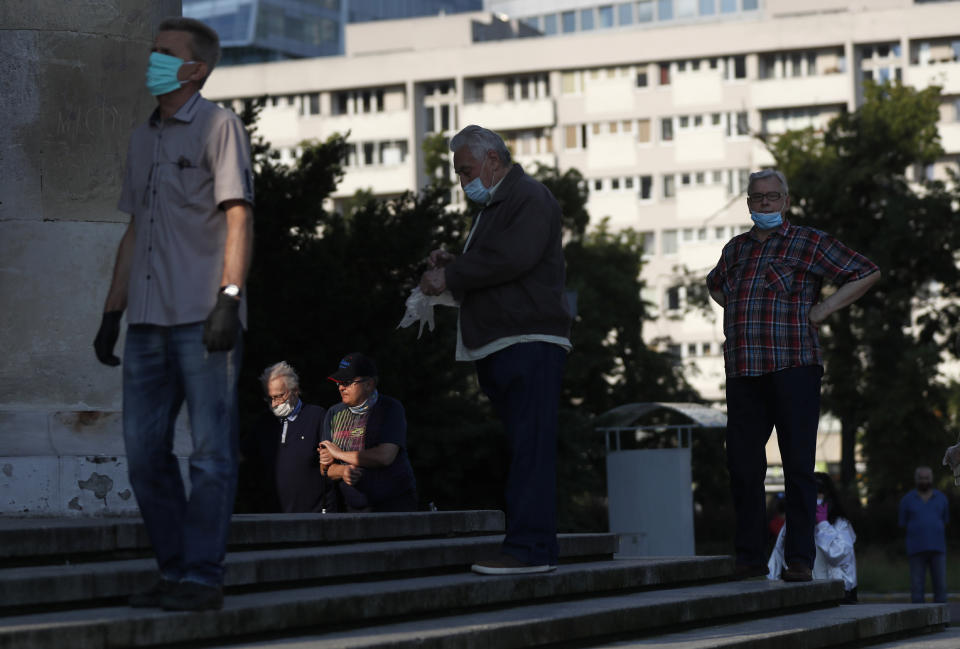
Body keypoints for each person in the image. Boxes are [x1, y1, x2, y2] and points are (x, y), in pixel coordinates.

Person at [92, 17, 254, 611]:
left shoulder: (219, 126)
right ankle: (174, 569)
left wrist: (229, 299)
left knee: (210, 454)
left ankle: (202, 578)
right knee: (143, 454)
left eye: (166, 54)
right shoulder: (143, 138)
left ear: (196, 69)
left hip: (204, 316)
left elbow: (238, 215)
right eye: (153, 52)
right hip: (148, 322)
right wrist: (113, 311)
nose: (153, 60)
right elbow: (136, 228)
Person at [706, 169, 879, 582]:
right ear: (749, 203)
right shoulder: (735, 250)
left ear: (786, 200)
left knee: (798, 466)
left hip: (794, 366)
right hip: (744, 369)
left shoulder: (808, 241)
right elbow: (715, 286)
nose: (764, 204)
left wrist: (823, 310)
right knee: (743, 466)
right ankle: (749, 558)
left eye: (772, 197)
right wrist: (739, 315)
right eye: (757, 198)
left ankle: (798, 560)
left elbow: (866, 272)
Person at [419, 125, 572, 575]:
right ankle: (535, 548)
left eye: (465, 170)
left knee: (530, 449)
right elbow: (501, 259)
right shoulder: (503, 203)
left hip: (528, 341)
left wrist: (451, 276)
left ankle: (526, 550)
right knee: (529, 449)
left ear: (491, 160)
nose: (462, 181)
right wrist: (457, 264)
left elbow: (513, 258)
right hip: (509, 341)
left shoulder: (528, 196)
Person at [318, 353, 417, 512]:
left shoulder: (390, 408)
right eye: (339, 383)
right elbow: (325, 468)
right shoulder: (333, 413)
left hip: (394, 505)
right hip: (352, 508)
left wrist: (339, 454)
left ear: (369, 384)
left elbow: (385, 456)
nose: (341, 387)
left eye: (348, 382)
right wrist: (343, 471)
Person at [249, 361, 331, 513]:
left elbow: (331, 465)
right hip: (272, 516)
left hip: (313, 514)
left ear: (295, 390)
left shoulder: (317, 416)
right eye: (270, 398)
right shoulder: (263, 423)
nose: (274, 404)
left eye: (279, 396)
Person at [768, 472, 857, 602]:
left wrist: (823, 525)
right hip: (803, 593)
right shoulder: (792, 526)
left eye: (818, 492)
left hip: (837, 595)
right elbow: (777, 558)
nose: (813, 498)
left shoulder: (840, 524)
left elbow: (840, 555)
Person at [899, 466, 949, 603]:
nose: (924, 481)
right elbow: (902, 523)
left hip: (938, 549)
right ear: (916, 479)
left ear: (931, 479)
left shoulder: (942, 498)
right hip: (916, 550)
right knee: (916, 589)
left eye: (927, 478)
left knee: (941, 588)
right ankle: (918, 623)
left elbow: (945, 520)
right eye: (921, 478)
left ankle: (942, 623)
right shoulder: (907, 500)